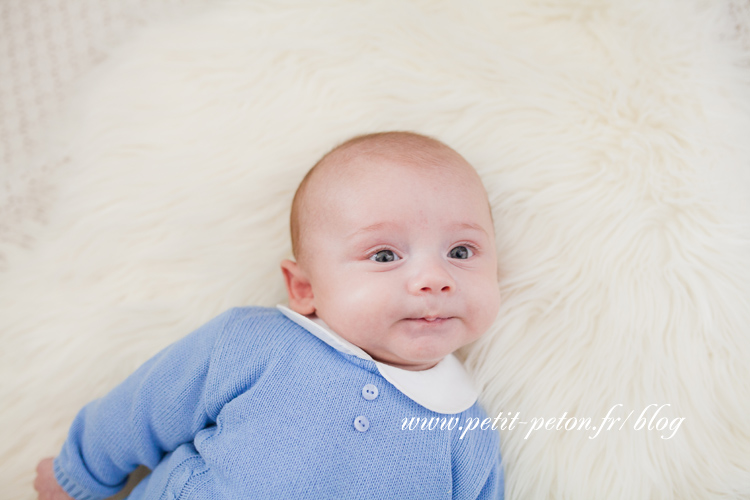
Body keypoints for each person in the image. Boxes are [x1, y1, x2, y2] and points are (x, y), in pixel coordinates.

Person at [34, 131, 504, 499]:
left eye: (461, 250)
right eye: (384, 256)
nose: (434, 279)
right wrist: (79, 473)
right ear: (304, 288)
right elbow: (146, 404)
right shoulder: (257, 344)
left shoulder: (465, 431)